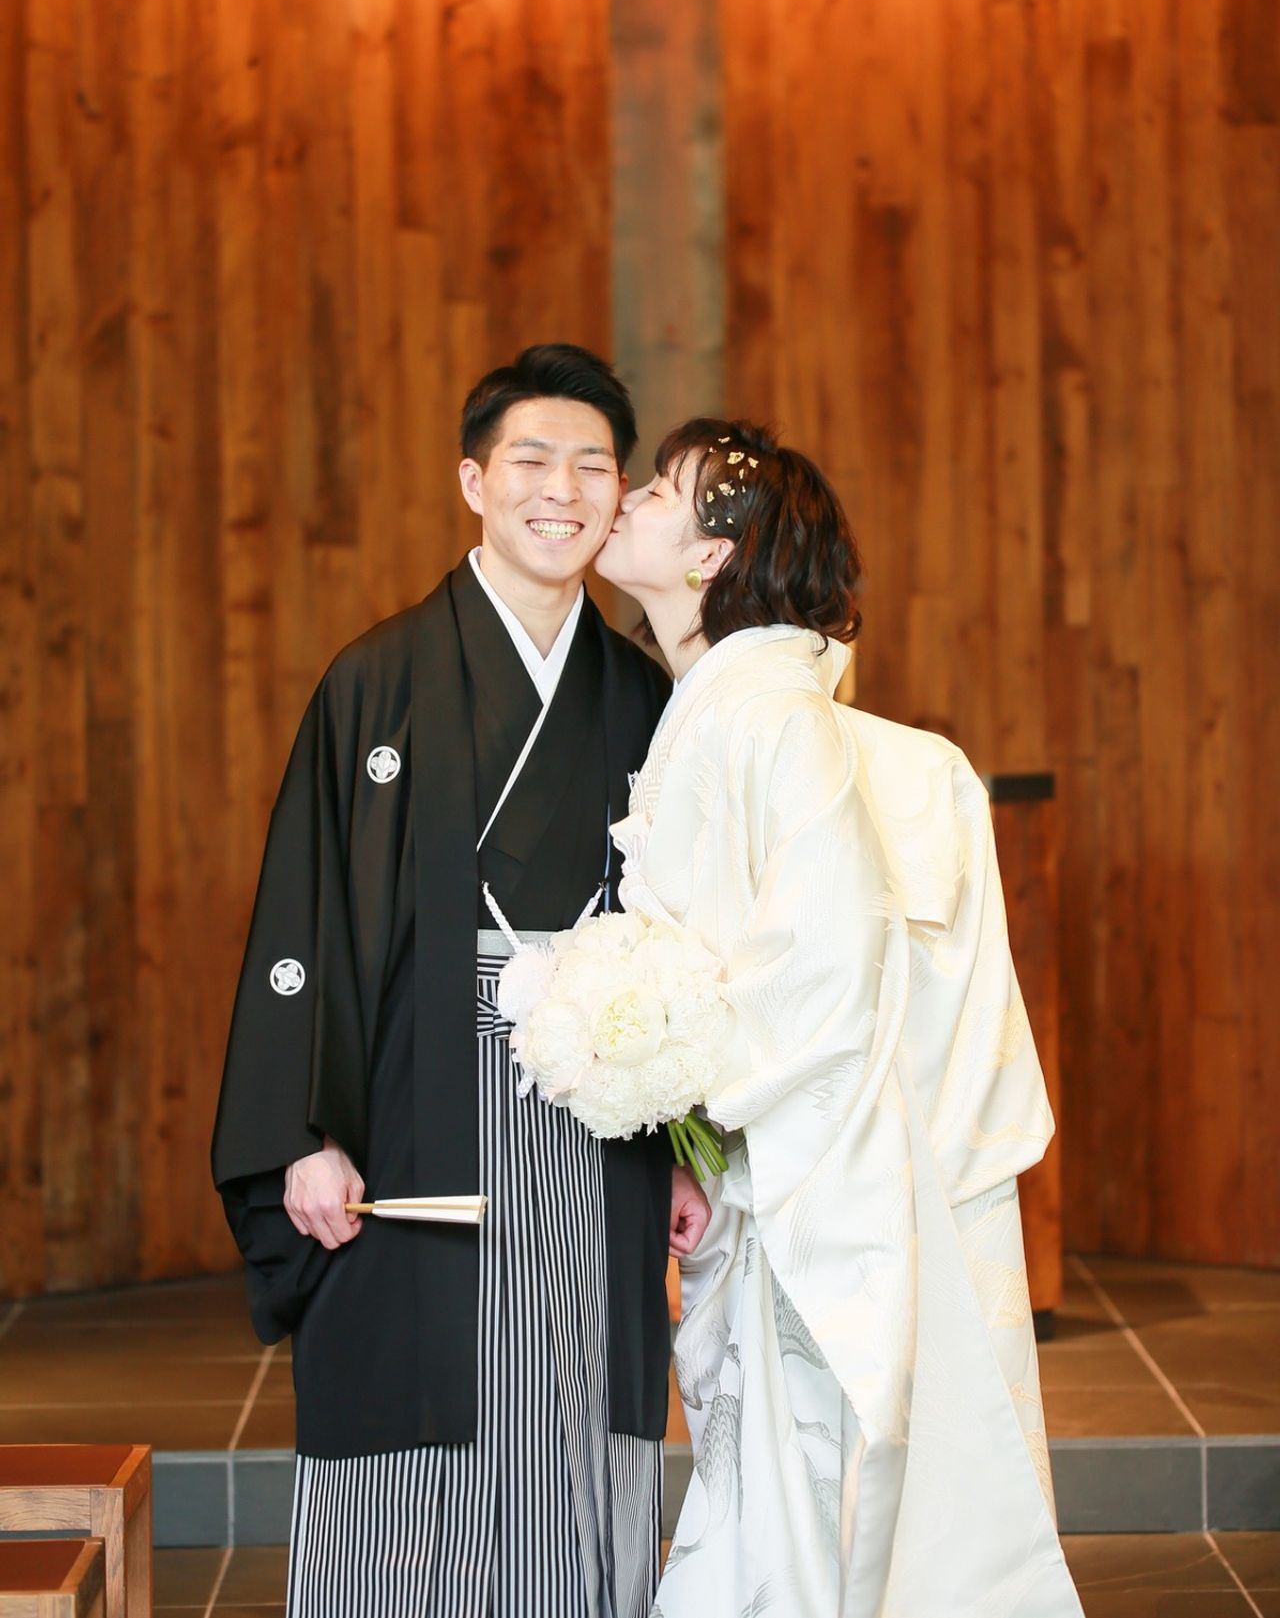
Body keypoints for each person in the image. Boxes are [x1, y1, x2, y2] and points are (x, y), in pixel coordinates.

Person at [211, 345, 712, 1618]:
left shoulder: (640, 697)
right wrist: (300, 1134)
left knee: (570, 1399)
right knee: (407, 1401)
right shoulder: (375, 679)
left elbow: (687, 934)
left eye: (592, 466)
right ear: (473, 482)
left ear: (617, 494)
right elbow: (301, 920)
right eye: (531, 461)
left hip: (595, 1101)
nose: (563, 490)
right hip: (407, 1102)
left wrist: (684, 1144)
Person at [595, 419, 1084, 1618]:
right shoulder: (720, 705)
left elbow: (821, 959)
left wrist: (686, 1083)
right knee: (776, 1486)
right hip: (754, 1146)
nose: (628, 498)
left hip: (800, 1157)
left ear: (709, 555)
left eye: (658, 488)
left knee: (801, 1495)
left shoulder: (768, 713)